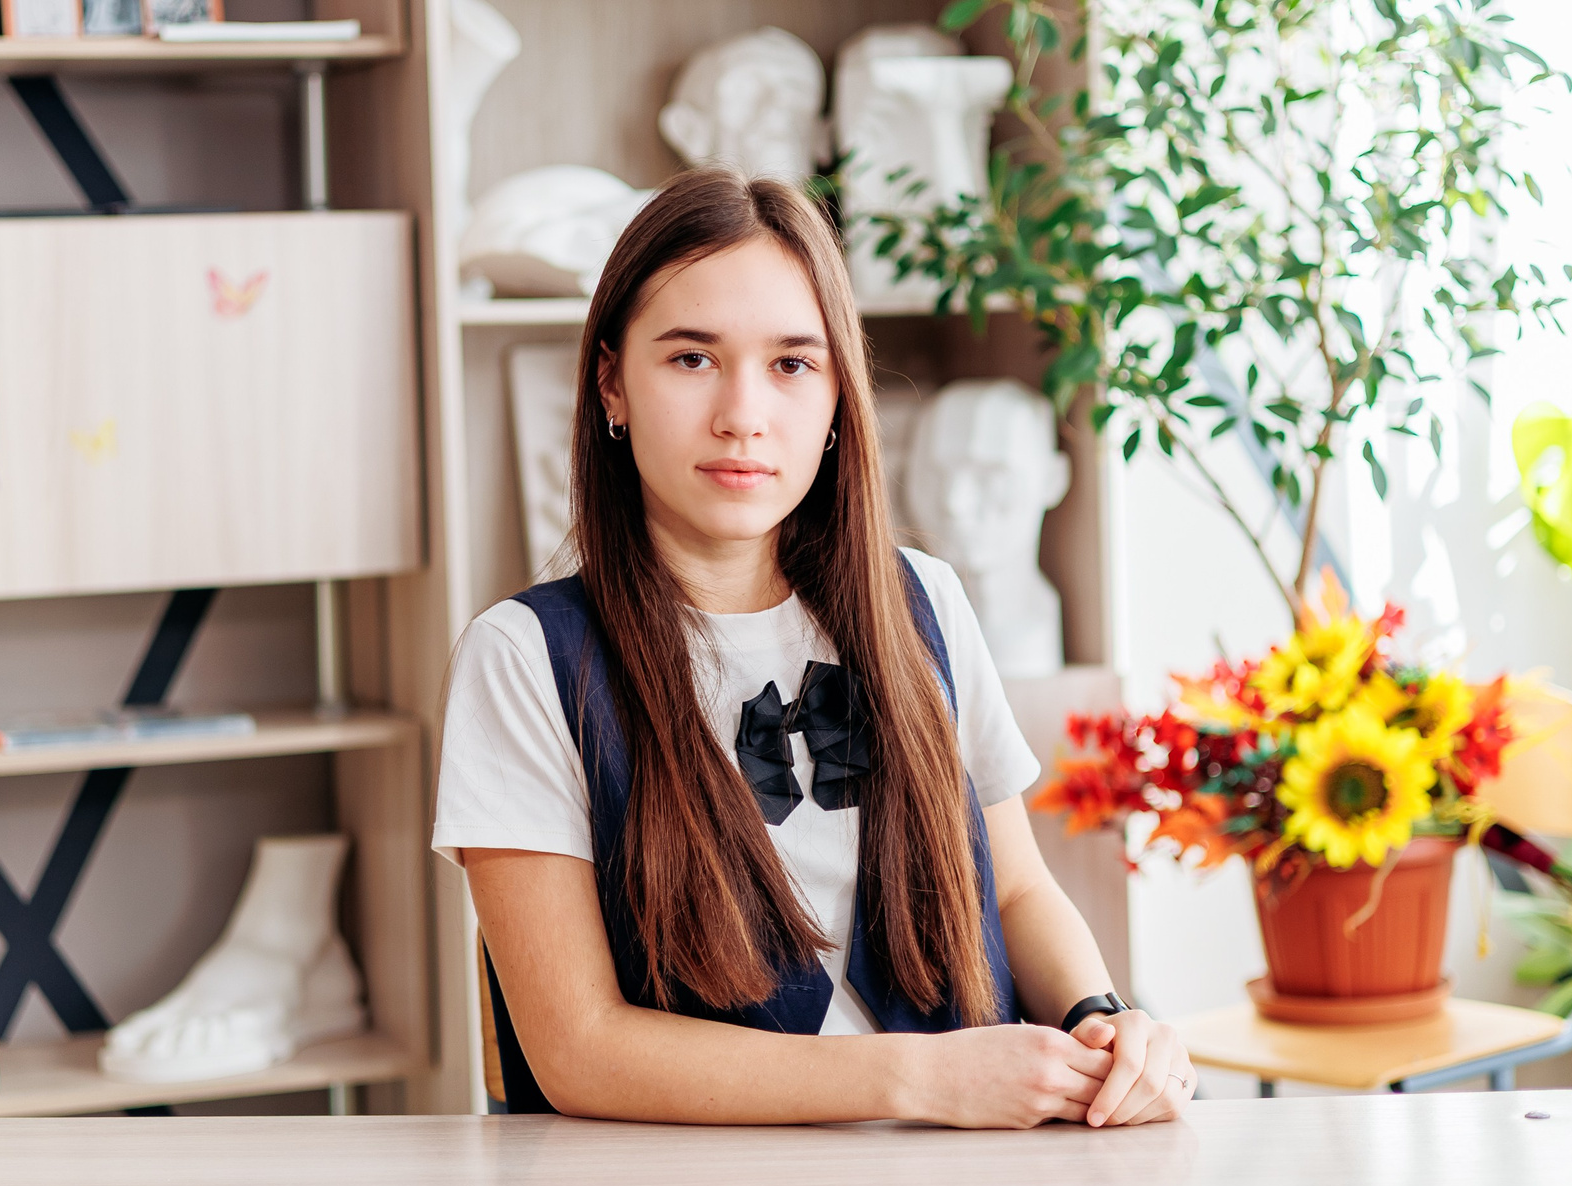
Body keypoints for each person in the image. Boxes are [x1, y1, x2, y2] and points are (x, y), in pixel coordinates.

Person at [434, 167, 1196, 1127]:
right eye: (691, 359)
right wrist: (916, 1078)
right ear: (611, 382)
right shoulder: (523, 658)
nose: (744, 414)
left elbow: (1018, 892)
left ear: (840, 399)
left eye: (793, 364)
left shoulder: (923, 601)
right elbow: (578, 1047)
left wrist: (1105, 1018)